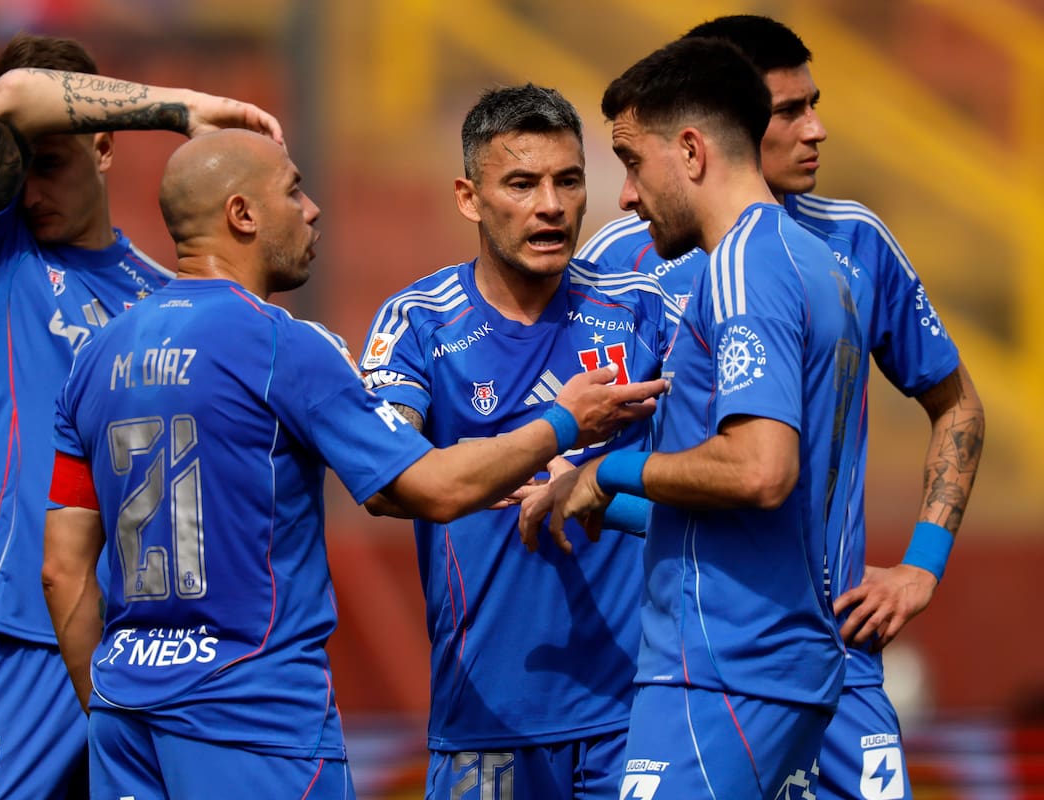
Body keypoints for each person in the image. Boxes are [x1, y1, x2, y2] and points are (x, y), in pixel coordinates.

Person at [41, 128, 666, 800]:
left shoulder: (95, 357)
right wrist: (566, 422)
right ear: (242, 215)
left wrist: (110, 701)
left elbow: (61, 568)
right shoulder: (286, 345)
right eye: (293, 191)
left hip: (124, 715)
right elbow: (429, 485)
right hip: (253, 713)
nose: (311, 210)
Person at [576, 16, 985, 799]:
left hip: (832, 654)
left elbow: (958, 407)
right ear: (725, 123)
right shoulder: (624, 260)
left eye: (813, 104)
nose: (815, 129)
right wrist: (609, 488)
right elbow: (591, 449)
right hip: (710, 645)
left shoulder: (852, 242)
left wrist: (920, 567)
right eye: (787, 111)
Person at [0, 32, 284, 800]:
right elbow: (8, 99)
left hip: (140, 656)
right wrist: (185, 107)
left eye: (49, 165)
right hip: (9, 641)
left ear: (104, 147)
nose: (26, 192)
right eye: (20, 168)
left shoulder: (164, 302)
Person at [520, 37, 865, 798]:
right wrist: (595, 494)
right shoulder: (813, 262)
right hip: (771, 667)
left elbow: (759, 470)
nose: (626, 197)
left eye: (633, 165)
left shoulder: (745, 264)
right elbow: (763, 507)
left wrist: (608, 471)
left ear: (690, 150)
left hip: (727, 672)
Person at [358, 84, 679, 799]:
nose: (552, 206)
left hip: (637, 714)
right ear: (469, 198)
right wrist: (560, 429)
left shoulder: (643, 313)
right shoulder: (418, 325)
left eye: (568, 181)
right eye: (522, 184)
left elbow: (714, 490)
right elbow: (388, 485)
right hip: (489, 718)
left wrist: (601, 489)